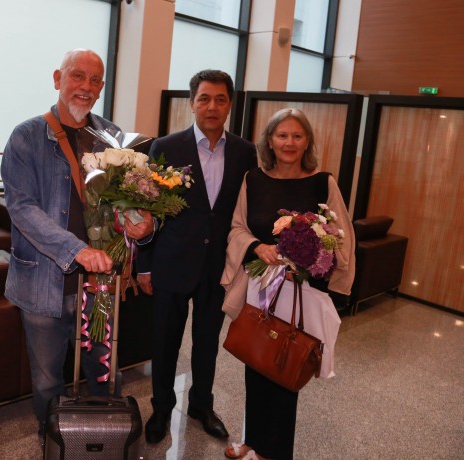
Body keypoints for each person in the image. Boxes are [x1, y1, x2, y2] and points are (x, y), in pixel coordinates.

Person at [0, 49, 154, 442]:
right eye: (77, 76)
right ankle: (53, 440)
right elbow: (22, 209)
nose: (86, 86)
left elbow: (131, 200)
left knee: (104, 372)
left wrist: (144, 224)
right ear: (58, 78)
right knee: (47, 380)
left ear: (102, 87)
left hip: (101, 285)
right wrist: (77, 250)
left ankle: (102, 440)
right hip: (43, 284)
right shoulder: (26, 136)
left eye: (95, 79)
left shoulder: (113, 137)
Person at [220, 108, 355, 460]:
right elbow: (237, 227)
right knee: (256, 361)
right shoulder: (253, 179)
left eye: (297, 135)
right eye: (282, 135)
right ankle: (252, 440)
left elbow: (340, 236)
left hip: (301, 291)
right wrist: (258, 246)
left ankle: (274, 451)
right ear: (269, 141)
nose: (289, 142)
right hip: (261, 287)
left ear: (307, 141)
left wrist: (312, 260)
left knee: (285, 366)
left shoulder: (323, 182)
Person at [137, 69, 257, 444]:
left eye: (220, 99)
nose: (212, 106)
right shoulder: (165, 147)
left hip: (218, 268)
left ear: (230, 105)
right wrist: (144, 265)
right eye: (204, 98)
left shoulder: (245, 152)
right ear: (191, 103)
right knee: (165, 342)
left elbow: (246, 211)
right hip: (171, 263)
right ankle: (161, 408)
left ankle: (201, 406)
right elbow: (147, 210)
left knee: (207, 344)